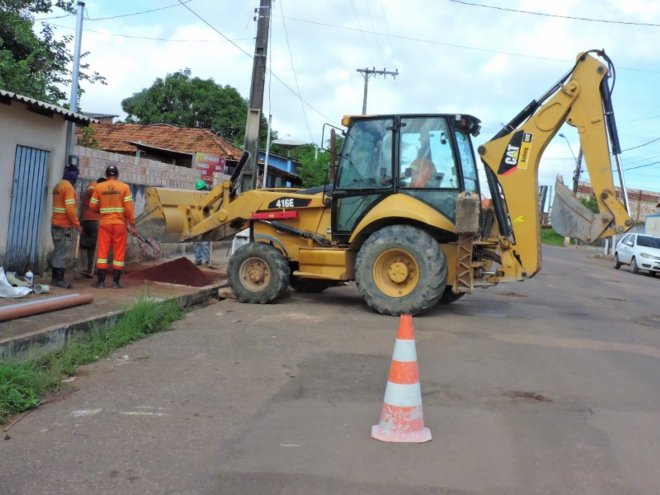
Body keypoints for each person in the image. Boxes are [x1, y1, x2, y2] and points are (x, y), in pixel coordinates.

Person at [89, 165, 136, 288]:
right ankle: (115, 283)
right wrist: (132, 224)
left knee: (102, 252)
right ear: (117, 174)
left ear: (106, 175)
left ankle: (101, 282)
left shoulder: (99, 187)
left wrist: (103, 211)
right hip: (120, 225)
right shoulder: (124, 187)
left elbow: (92, 206)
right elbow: (129, 209)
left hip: (104, 224)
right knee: (118, 253)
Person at [50, 164, 82, 288]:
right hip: (65, 227)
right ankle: (58, 279)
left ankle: (55, 278)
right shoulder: (68, 188)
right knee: (62, 250)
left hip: (58, 225)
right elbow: (70, 210)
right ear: (72, 174)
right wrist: (77, 225)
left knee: (60, 248)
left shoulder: (57, 186)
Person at [80, 177, 106, 274]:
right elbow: (91, 193)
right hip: (93, 221)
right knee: (95, 243)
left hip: (86, 220)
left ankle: (90, 268)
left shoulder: (93, 187)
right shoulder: (94, 186)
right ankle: (84, 242)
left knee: (92, 247)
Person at [193, 179, 211, 266]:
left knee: (205, 241)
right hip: (197, 221)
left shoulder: (209, 197)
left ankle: (206, 260)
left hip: (206, 222)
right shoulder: (195, 198)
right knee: (197, 241)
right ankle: (198, 259)